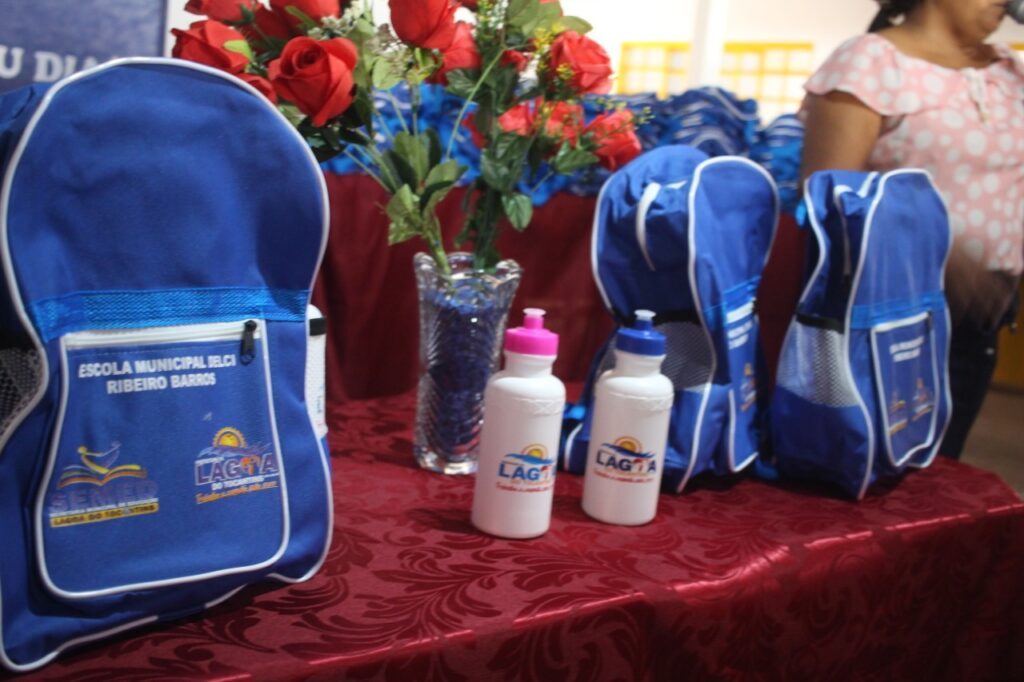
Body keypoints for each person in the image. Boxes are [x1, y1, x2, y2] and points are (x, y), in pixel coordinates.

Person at [800, 0, 1024, 459]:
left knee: (943, 465)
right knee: (885, 469)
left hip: (980, 324)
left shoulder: (1010, 71)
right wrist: (936, 254)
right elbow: (829, 202)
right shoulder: (870, 62)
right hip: (891, 322)